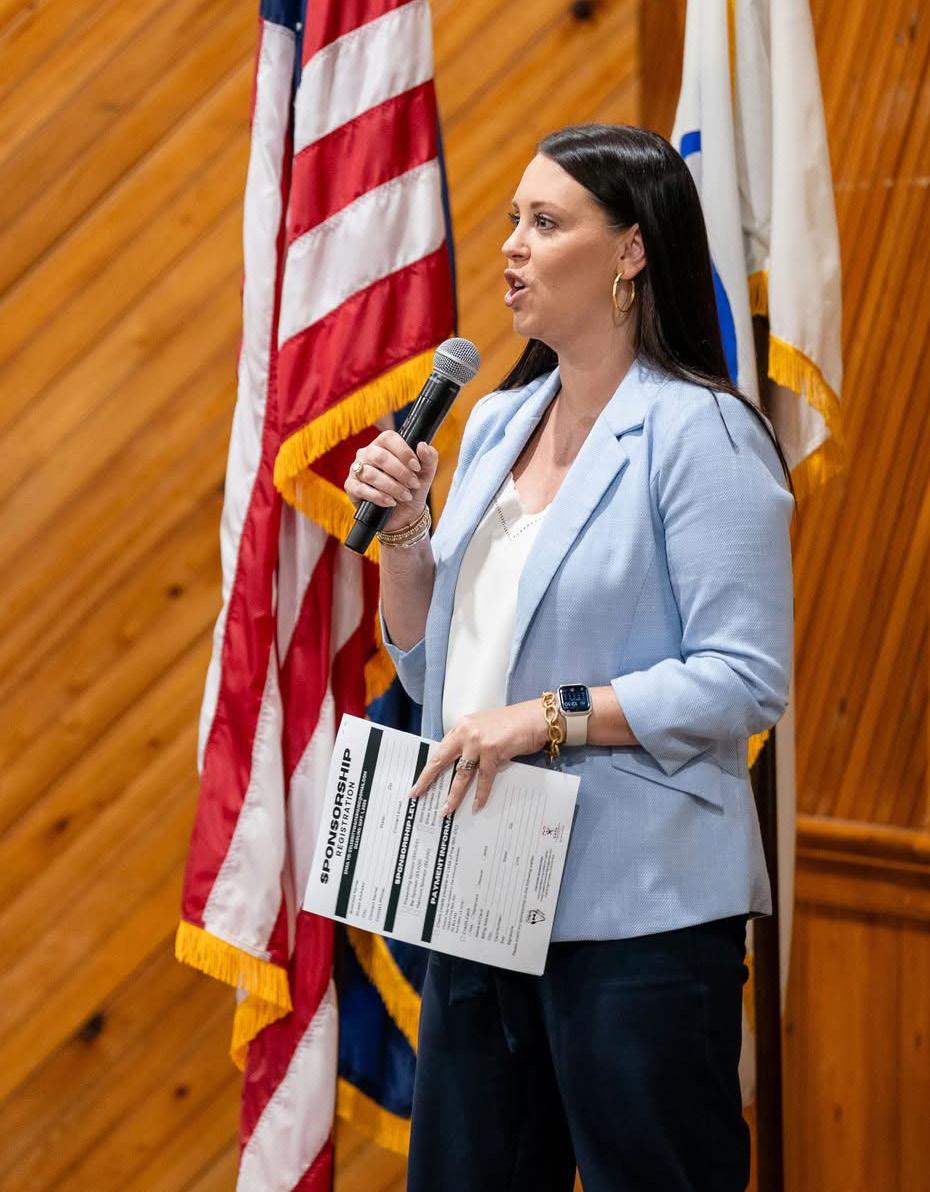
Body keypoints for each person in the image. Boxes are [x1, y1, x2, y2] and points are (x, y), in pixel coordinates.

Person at [344, 123, 795, 1192]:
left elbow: (744, 676)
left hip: (638, 916)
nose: (512, 245)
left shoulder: (702, 432)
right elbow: (433, 674)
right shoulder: (497, 421)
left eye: (546, 223)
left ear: (631, 251)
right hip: (479, 892)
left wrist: (549, 716)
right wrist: (405, 537)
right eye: (514, 220)